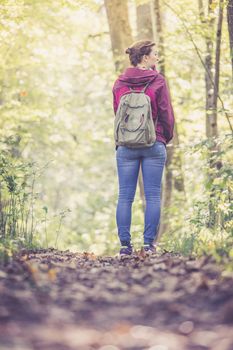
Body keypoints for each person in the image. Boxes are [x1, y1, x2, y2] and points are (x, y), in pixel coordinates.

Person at [112, 39, 175, 256]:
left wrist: (122, 141)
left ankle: (124, 246)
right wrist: (164, 138)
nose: (157, 57)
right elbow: (166, 113)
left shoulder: (120, 83)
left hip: (126, 146)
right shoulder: (158, 81)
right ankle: (148, 245)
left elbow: (117, 115)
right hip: (153, 142)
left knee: (125, 196)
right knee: (153, 196)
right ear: (145, 57)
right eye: (155, 54)